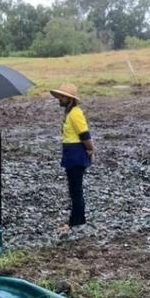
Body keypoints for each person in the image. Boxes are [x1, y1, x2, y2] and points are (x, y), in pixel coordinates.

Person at [50, 83, 95, 230]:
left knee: (76, 189)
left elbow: (84, 134)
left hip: (75, 153)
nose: (60, 99)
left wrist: (90, 149)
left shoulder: (75, 113)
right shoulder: (69, 113)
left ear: (70, 99)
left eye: (62, 97)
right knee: (74, 189)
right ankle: (77, 219)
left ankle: (76, 221)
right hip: (71, 152)